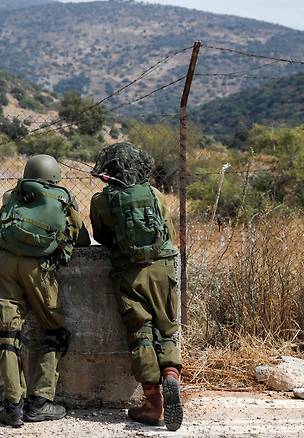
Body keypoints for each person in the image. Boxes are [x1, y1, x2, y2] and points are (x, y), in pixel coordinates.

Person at [0, 154, 90, 428]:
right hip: (39, 270)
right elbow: (81, 238)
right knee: (54, 331)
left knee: (9, 336)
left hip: (5, 263)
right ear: (55, 175)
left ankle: (13, 407)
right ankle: (40, 403)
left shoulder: (13, 195)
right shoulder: (62, 198)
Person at [89, 142, 183, 431]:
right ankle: (170, 373)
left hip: (128, 272)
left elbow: (102, 238)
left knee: (140, 331)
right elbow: (170, 231)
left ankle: (153, 403)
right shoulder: (155, 194)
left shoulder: (101, 200)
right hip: (163, 266)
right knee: (167, 327)